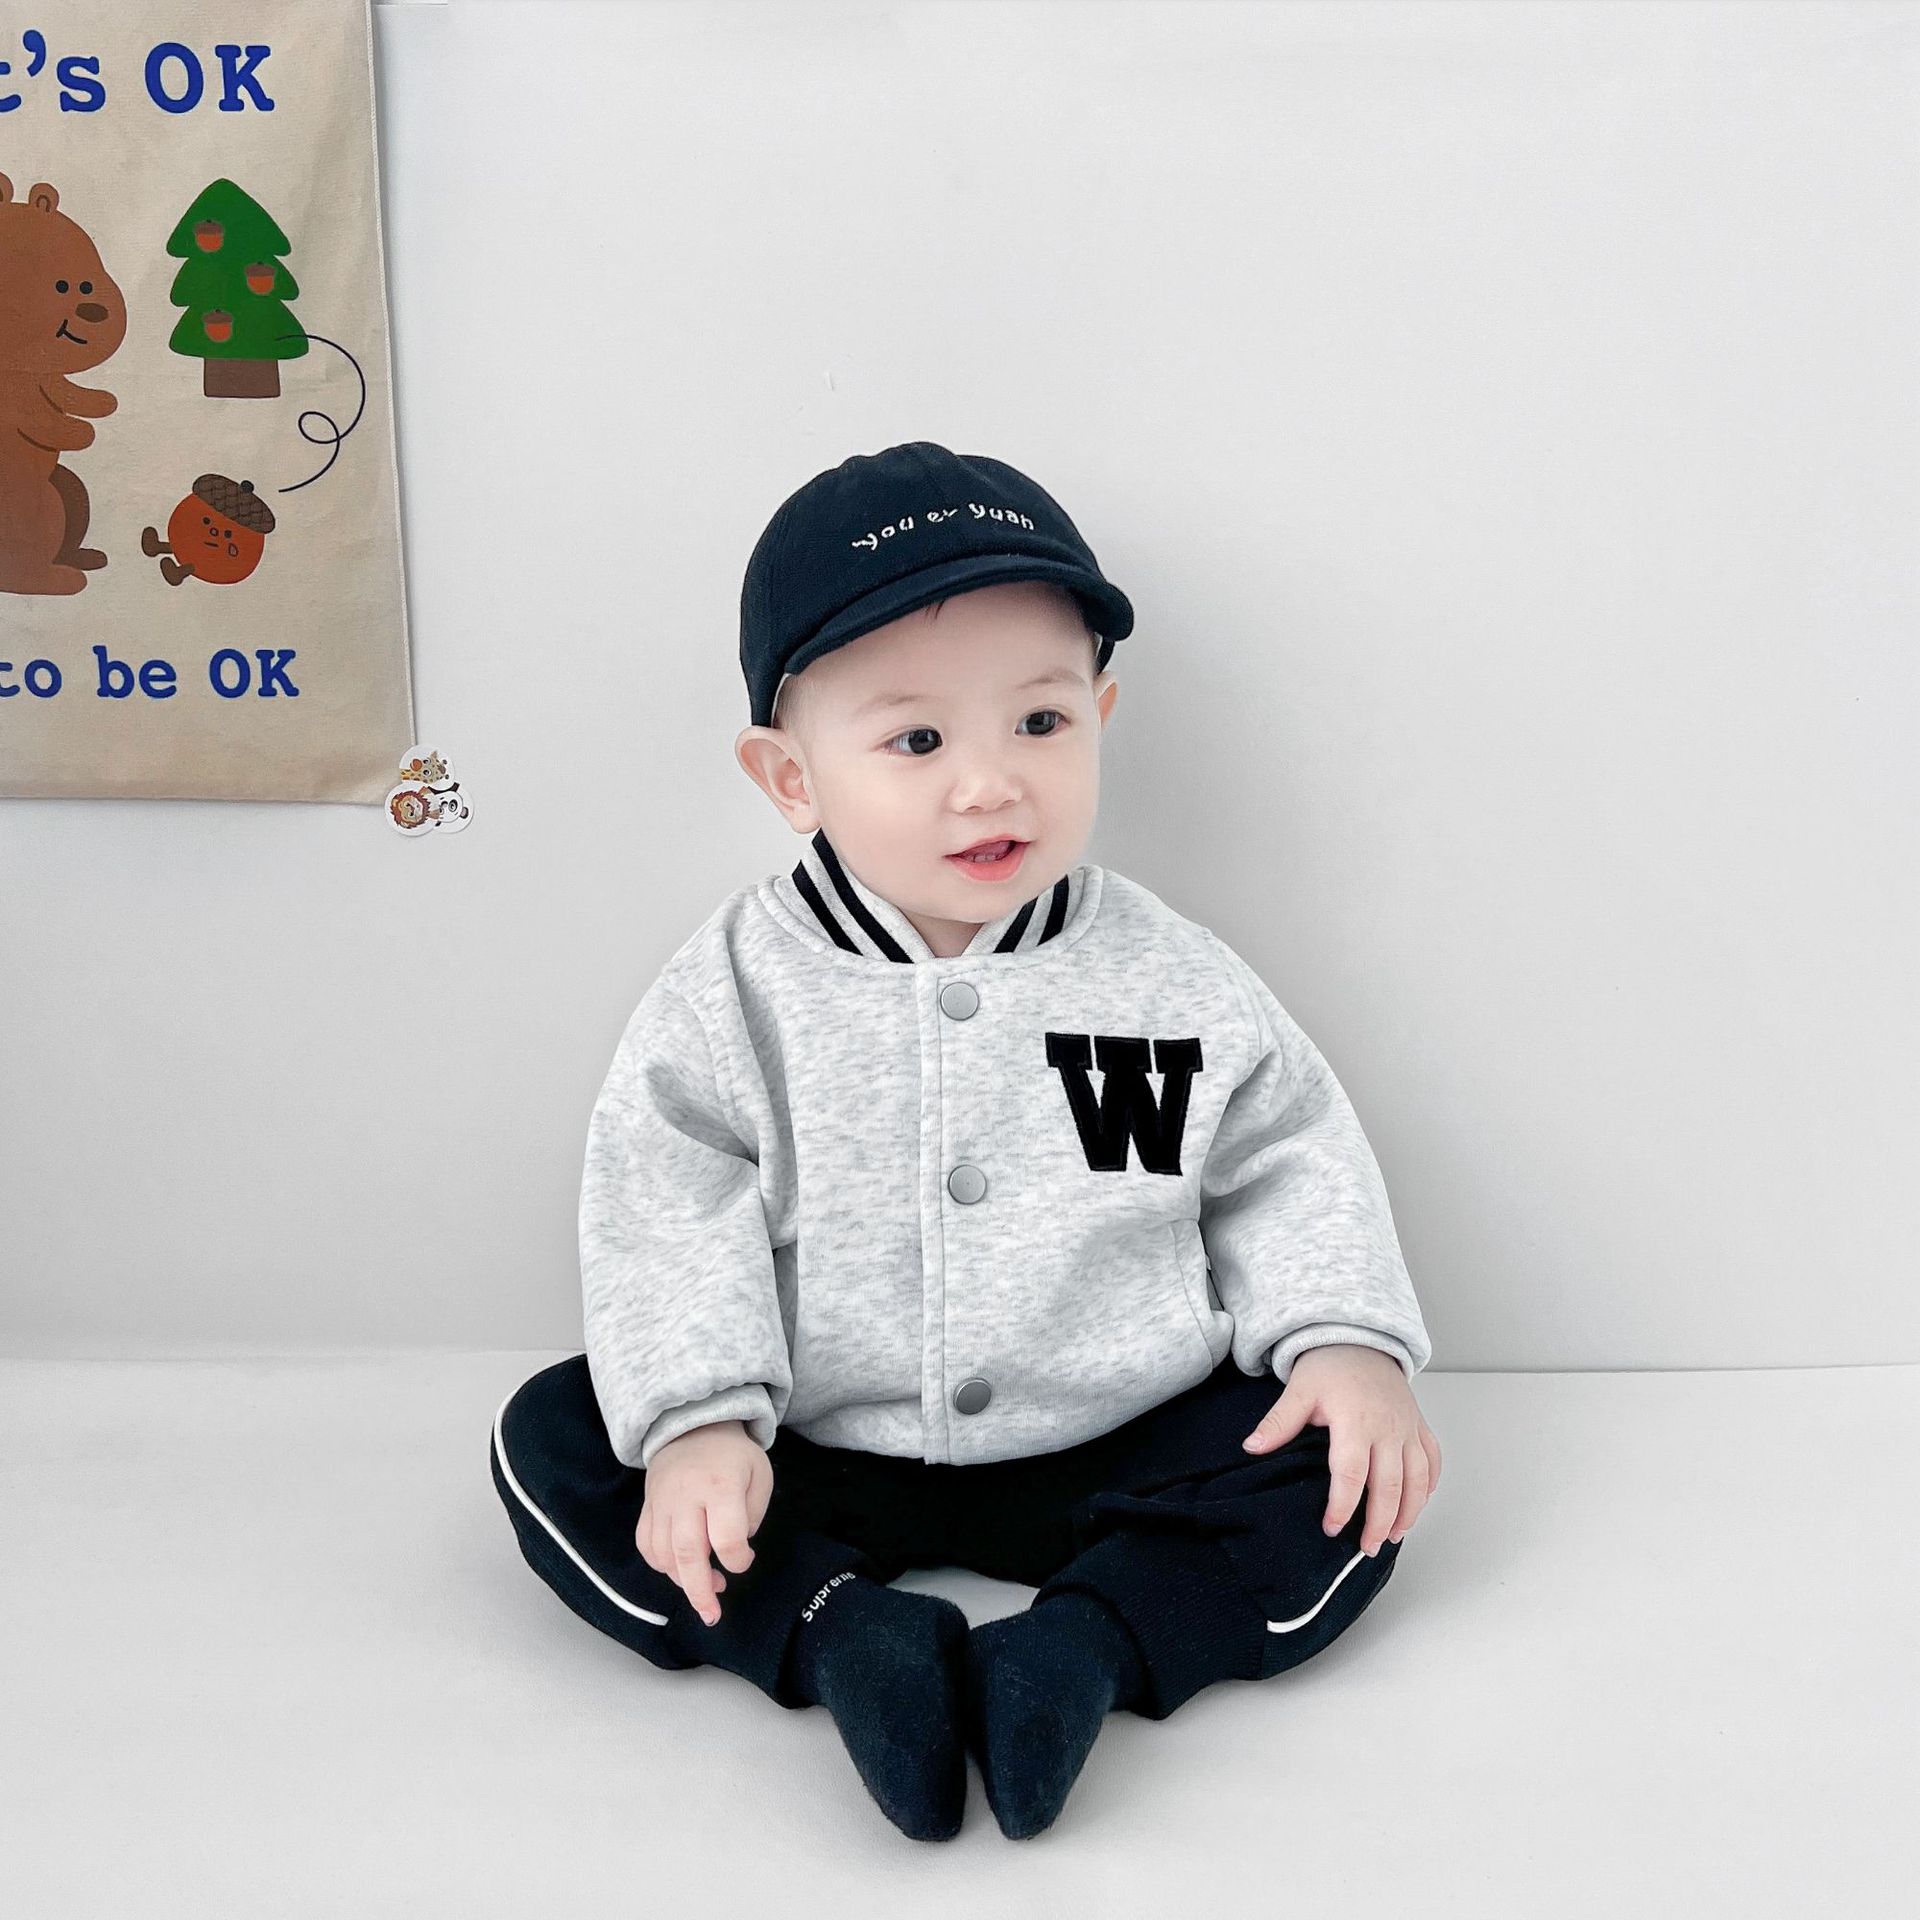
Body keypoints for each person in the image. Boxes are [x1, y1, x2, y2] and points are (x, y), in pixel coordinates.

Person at [489, 440, 1442, 1842]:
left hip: (1112, 1433)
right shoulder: (735, 991)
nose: (990, 786)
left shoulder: (1171, 975)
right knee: (562, 1441)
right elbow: (668, 1204)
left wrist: (1343, 1339)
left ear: (1101, 716)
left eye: (1041, 723)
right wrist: (700, 1424)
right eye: (918, 742)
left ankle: (1086, 1647)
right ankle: (845, 1636)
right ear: (792, 777)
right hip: (818, 1438)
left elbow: (1284, 1157)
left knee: (1347, 1473)